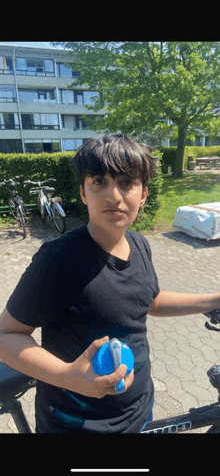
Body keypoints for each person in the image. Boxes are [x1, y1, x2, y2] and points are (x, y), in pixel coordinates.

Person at [0, 133, 220, 434]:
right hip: (78, 425)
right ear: (83, 193)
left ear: (143, 194)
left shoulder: (139, 244)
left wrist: (213, 299)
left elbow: (149, 301)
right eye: (99, 182)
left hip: (140, 408)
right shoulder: (60, 259)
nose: (113, 196)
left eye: (126, 183)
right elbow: (6, 336)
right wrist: (67, 375)